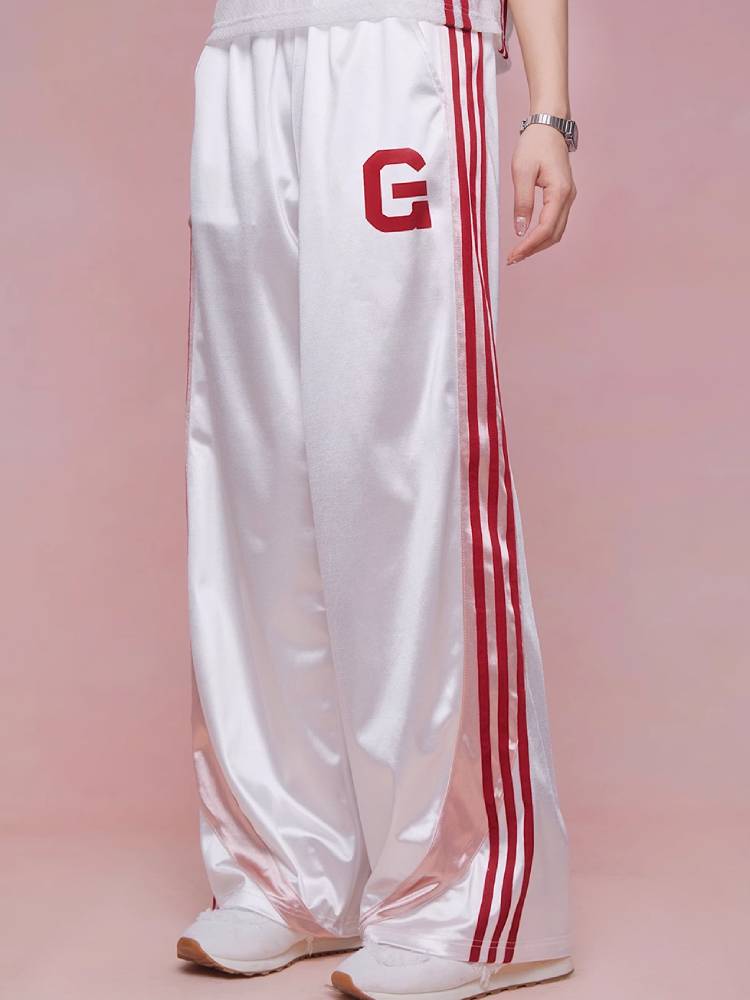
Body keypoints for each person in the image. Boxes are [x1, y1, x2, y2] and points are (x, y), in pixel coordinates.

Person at [178, 0, 577, 994]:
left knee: (401, 453)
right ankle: (290, 870)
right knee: (259, 471)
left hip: (400, 49)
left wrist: (548, 112)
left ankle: (475, 899)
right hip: (247, 47)